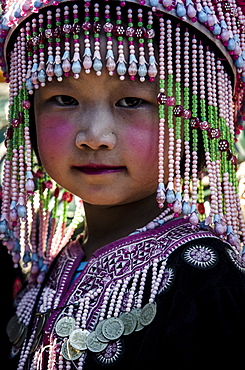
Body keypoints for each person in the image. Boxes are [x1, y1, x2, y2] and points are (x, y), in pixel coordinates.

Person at [1, 0, 245, 368]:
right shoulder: (49, 262)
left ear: (196, 121)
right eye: (63, 99)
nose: (95, 136)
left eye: (132, 101)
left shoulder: (207, 281)